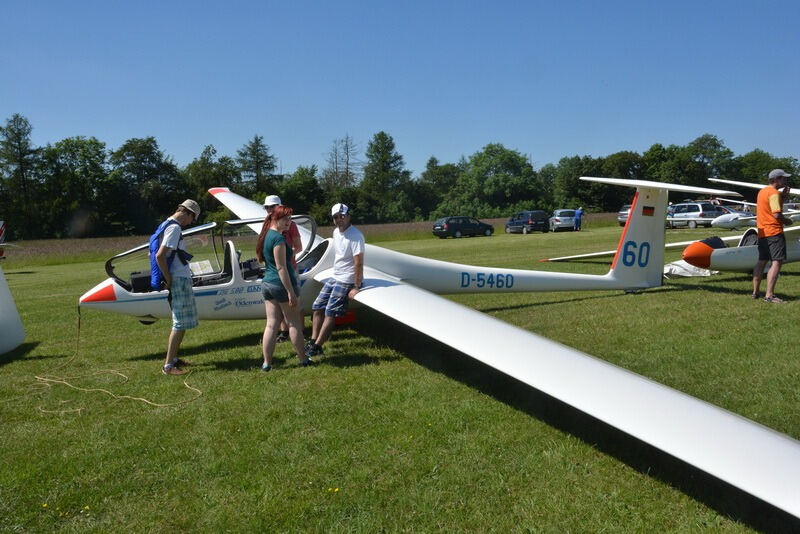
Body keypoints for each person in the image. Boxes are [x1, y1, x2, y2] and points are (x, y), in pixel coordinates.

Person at [306, 203, 365, 358]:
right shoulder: (336, 232)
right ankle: (313, 341)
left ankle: (318, 346)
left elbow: (358, 262)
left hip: (347, 279)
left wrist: (356, 286)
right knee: (317, 307)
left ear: (348, 216)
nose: (339, 219)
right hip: (335, 275)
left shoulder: (356, 236)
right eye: (336, 217)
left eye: (342, 216)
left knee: (330, 312)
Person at [256, 204, 311, 370]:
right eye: (285, 219)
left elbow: (277, 258)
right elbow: (281, 268)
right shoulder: (278, 238)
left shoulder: (267, 235)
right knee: (294, 323)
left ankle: (267, 363)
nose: (289, 222)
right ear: (275, 218)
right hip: (280, 285)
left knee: (271, 324)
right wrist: (290, 292)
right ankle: (303, 359)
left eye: (290, 219)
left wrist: (290, 253)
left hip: (267, 284)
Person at [156, 199, 201, 376]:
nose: (191, 222)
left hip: (177, 277)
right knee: (180, 322)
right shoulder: (174, 228)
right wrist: (169, 279)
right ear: (188, 213)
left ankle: (174, 359)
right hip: (178, 279)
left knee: (182, 321)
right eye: (193, 218)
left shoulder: (166, 224)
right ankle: (168, 366)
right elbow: (160, 255)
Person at [264, 194, 303, 342]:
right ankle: (284, 331)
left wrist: (286, 256)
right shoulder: (267, 225)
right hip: (275, 271)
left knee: (295, 305)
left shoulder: (290, 225)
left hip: (289, 269)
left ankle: (300, 331)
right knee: (278, 309)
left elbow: (298, 247)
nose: (269, 210)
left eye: (272, 207)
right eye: (267, 207)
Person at [752, 169, 793, 303]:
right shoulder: (774, 193)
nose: (785, 181)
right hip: (774, 232)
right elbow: (776, 214)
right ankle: (769, 295)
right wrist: (787, 221)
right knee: (777, 262)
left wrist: (783, 197)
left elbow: (767, 206)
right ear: (776, 179)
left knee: (761, 261)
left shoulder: (763, 191)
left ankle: (755, 292)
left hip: (762, 232)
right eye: (783, 178)